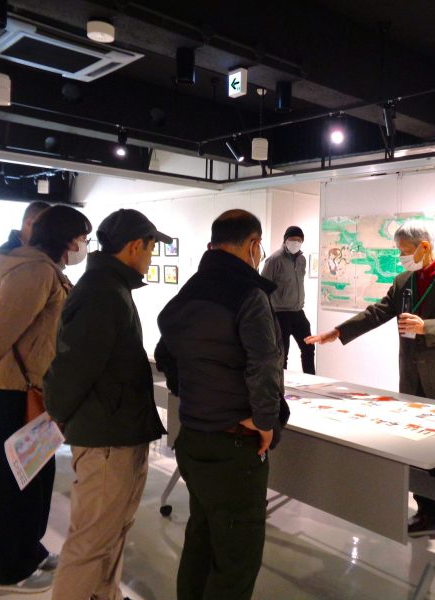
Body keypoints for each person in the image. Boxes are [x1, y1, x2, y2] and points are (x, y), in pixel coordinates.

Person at [306, 221, 435, 540]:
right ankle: (427, 511)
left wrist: (426, 327)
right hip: (413, 379)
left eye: (405, 251)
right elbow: (379, 312)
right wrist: (339, 332)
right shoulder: (404, 281)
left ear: (425, 246)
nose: (401, 257)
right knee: (420, 448)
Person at [0, 205, 92, 594]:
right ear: (66, 239)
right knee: (11, 482)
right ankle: (9, 570)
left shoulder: (47, 270)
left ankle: (29, 549)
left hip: (33, 389)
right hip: (10, 391)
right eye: (82, 237)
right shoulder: (33, 271)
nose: (83, 245)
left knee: (34, 477)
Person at [155, 209, 284, 600]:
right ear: (253, 244)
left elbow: (165, 353)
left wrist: (193, 393)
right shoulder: (249, 293)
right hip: (234, 443)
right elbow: (265, 363)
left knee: (202, 538)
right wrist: (265, 421)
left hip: (193, 436)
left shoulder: (192, 289)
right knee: (236, 560)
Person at [43, 209, 170, 600]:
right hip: (106, 438)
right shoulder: (102, 292)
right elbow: (74, 367)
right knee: (92, 540)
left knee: (111, 531)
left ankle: (105, 594)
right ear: (135, 246)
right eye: (150, 248)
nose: (151, 256)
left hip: (116, 431)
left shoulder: (110, 287)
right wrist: (59, 414)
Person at [0, 201, 50, 320]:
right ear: (29, 223)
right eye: (46, 227)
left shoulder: (37, 253)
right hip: (2, 324)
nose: (49, 234)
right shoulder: (6, 254)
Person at [261, 225, 315, 374]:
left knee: (309, 348)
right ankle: (281, 383)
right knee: (282, 354)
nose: (296, 242)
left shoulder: (302, 259)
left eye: (299, 240)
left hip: (298, 312)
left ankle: (311, 379)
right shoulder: (274, 260)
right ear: (285, 240)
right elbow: (263, 286)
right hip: (281, 313)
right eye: (292, 239)